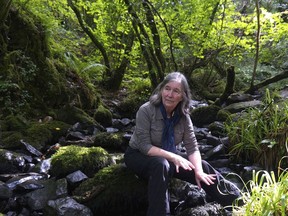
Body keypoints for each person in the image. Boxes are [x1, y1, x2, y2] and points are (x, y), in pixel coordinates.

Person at [124, 72, 241, 216]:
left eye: (176, 91)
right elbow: (144, 146)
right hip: (138, 155)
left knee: (203, 167)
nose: (170, 94)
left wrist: (197, 171)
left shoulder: (184, 117)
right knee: (161, 165)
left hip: (167, 154)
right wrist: (174, 157)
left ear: (182, 96)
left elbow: (192, 147)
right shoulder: (146, 110)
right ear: (161, 89)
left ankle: (238, 202)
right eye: (167, 89)